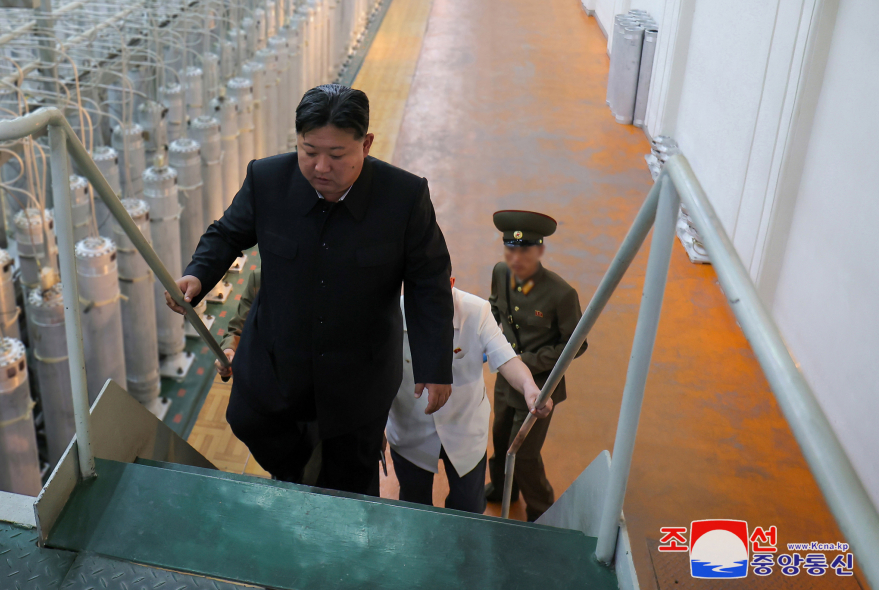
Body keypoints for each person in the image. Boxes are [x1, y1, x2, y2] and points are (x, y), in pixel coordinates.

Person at [168, 84, 454, 497]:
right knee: (250, 423)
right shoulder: (266, 180)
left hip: (358, 376)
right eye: (309, 150)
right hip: (276, 364)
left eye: (337, 155)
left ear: (366, 144)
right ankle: (297, 475)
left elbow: (429, 280)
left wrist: (434, 365)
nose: (321, 166)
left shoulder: (404, 198)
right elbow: (227, 233)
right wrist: (198, 275)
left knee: (350, 480)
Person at [385, 281, 552, 513]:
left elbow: (505, 357)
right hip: (409, 432)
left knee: (468, 508)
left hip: (465, 430)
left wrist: (529, 386)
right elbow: (376, 375)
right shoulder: (391, 314)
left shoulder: (477, 311)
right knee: (414, 507)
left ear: (450, 282)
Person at [485, 210, 586, 521]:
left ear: (540, 250)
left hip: (541, 386)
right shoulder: (500, 273)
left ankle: (542, 508)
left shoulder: (561, 294)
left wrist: (526, 361)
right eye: (511, 249)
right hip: (506, 380)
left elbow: (577, 344)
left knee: (525, 454)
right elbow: (492, 310)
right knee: (501, 439)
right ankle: (504, 489)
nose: (517, 258)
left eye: (525, 250)